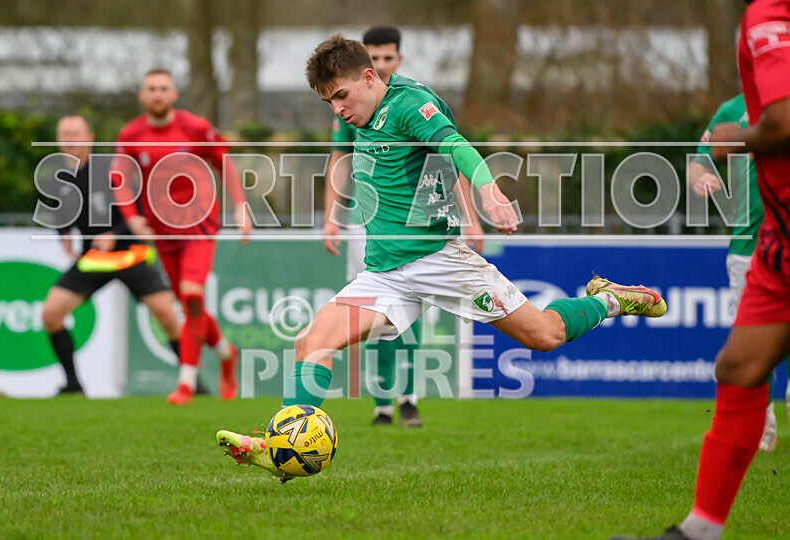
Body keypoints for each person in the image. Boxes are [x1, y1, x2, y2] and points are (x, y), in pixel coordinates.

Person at [216, 35, 666, 477]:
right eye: (329, 103)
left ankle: (610, 298)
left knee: (543, 335)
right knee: (311, 342)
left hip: (440, 261)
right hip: (386, 274)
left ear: (370, 76)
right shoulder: (361, 118)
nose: (337, 110)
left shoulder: (410, 105)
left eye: (341, 96)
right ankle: (280, 448)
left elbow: (455, 146)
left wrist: (488, 191)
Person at [615, 1, 790, 538]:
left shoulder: (768, 16)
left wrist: (738, 139)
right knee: (738, 367)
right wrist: (704, 166)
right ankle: (700, 529)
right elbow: (701, 156)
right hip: (767, 247)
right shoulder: (733, 101)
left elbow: (780, 124)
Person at [323, 25, 485, 427]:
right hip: (367, 225)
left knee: (411, 314)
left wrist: (472, 216)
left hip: (421, 227)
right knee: (375, 318)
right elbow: (339, 160)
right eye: (372, 58)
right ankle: (381, 402)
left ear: (396, 60)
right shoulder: (349, 104)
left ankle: (408, 396)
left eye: (386, 60)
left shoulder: (414, 101)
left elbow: (450, 156)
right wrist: (331, 217)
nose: (378, 66)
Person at [111, 68, 253, 404]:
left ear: (175, 95)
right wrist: (132, 219)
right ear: (142, 96)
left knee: (191, 295)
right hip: (162, 230)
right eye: (151, 89)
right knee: (190, 305)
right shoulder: (131, 133)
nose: (158, 94)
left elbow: (225, 162)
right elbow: (119, 178)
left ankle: (186, 382)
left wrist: (241, 206)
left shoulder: (195, 127)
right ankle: (225, 352)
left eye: (164, 88)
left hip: (200, 224)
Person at [42, 115, 179, 396]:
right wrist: (63, 235)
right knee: (51, 314)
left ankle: (192, 382)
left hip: (131, 253)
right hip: (95, 259)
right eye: (65, 134)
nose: (70, 140)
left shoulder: (112, 169)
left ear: (90, 137)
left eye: (75, 133)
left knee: (167, 316)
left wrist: (115, 234)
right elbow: (61, 213)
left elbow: (142, 209)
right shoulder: (58, 177)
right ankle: (73, 385)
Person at [688, 93, 789, 452]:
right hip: (748, 248)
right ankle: (763, 429)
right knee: (756, 347)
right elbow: (699, 161)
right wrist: (699, 177)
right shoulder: (732, 109)